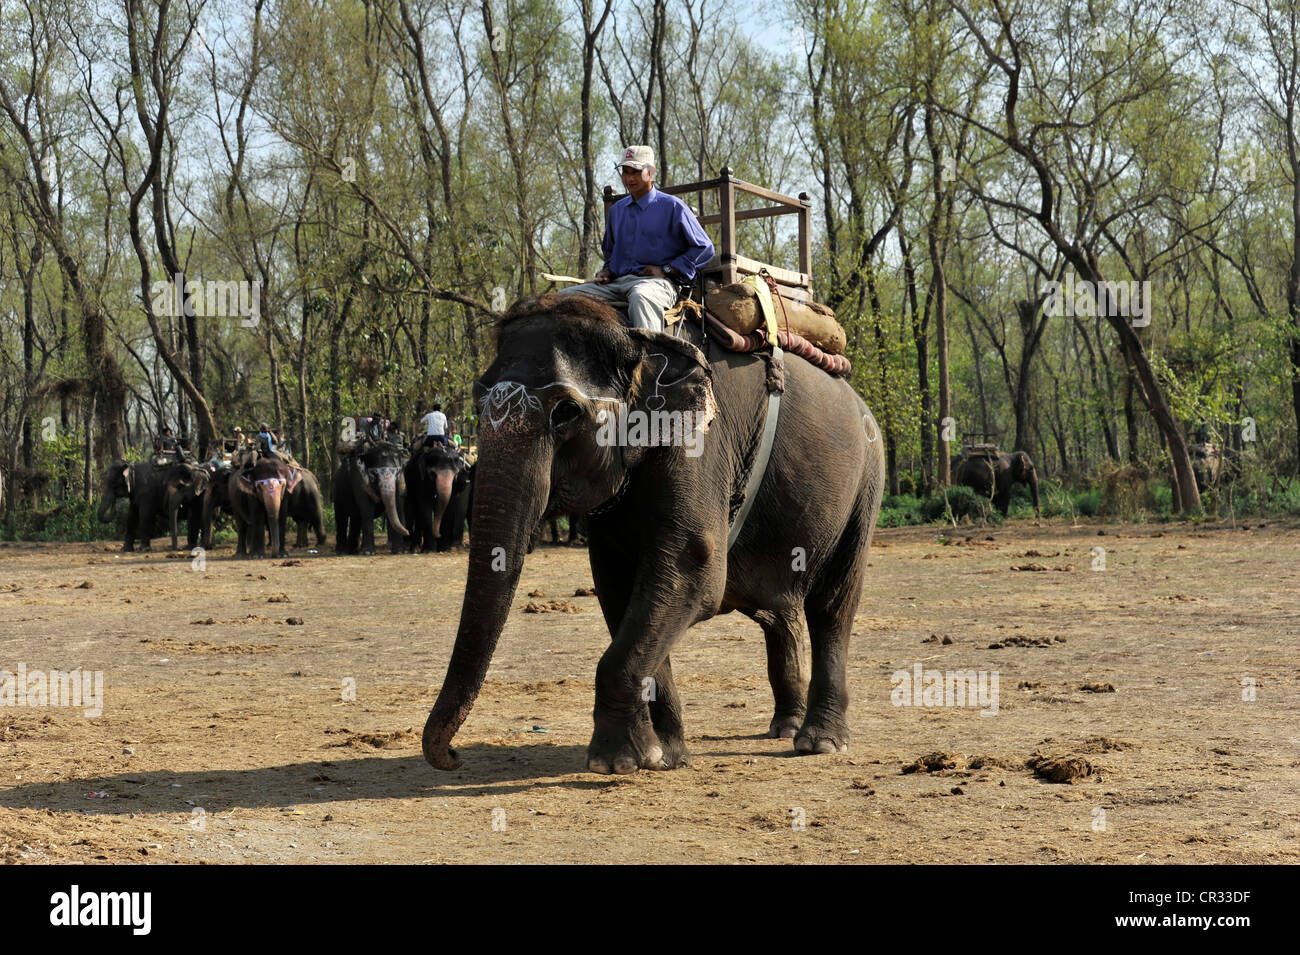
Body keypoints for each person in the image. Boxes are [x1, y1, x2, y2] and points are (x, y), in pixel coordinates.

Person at [557, 145, 714, 333]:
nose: (629, 178)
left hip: (657, 285)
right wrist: (606, 271)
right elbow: (610, 252)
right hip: (617, 283)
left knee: (641, 296)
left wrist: (666, 269)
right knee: (561, 299)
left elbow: (705, 249)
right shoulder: (617, 211)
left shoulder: (673, 207)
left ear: (651, 173)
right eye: (625, 172)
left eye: (636, 172)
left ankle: (652, 358)